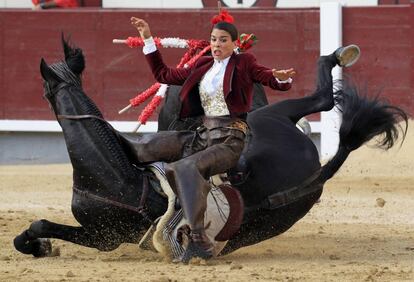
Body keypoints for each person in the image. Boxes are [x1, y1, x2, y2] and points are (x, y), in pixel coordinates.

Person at [130, 15, 296, 262]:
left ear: (234, 43)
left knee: (184, 167)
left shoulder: (244, 63)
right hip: (202, 136)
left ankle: (199, 241)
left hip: (230, 139)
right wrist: (147, 39)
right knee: (145, 145)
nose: (217, 45)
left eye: (223, 40)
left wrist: (280, 77)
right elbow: (164, 74)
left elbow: (268, 78)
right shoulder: (203, 65)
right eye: (213, 40)